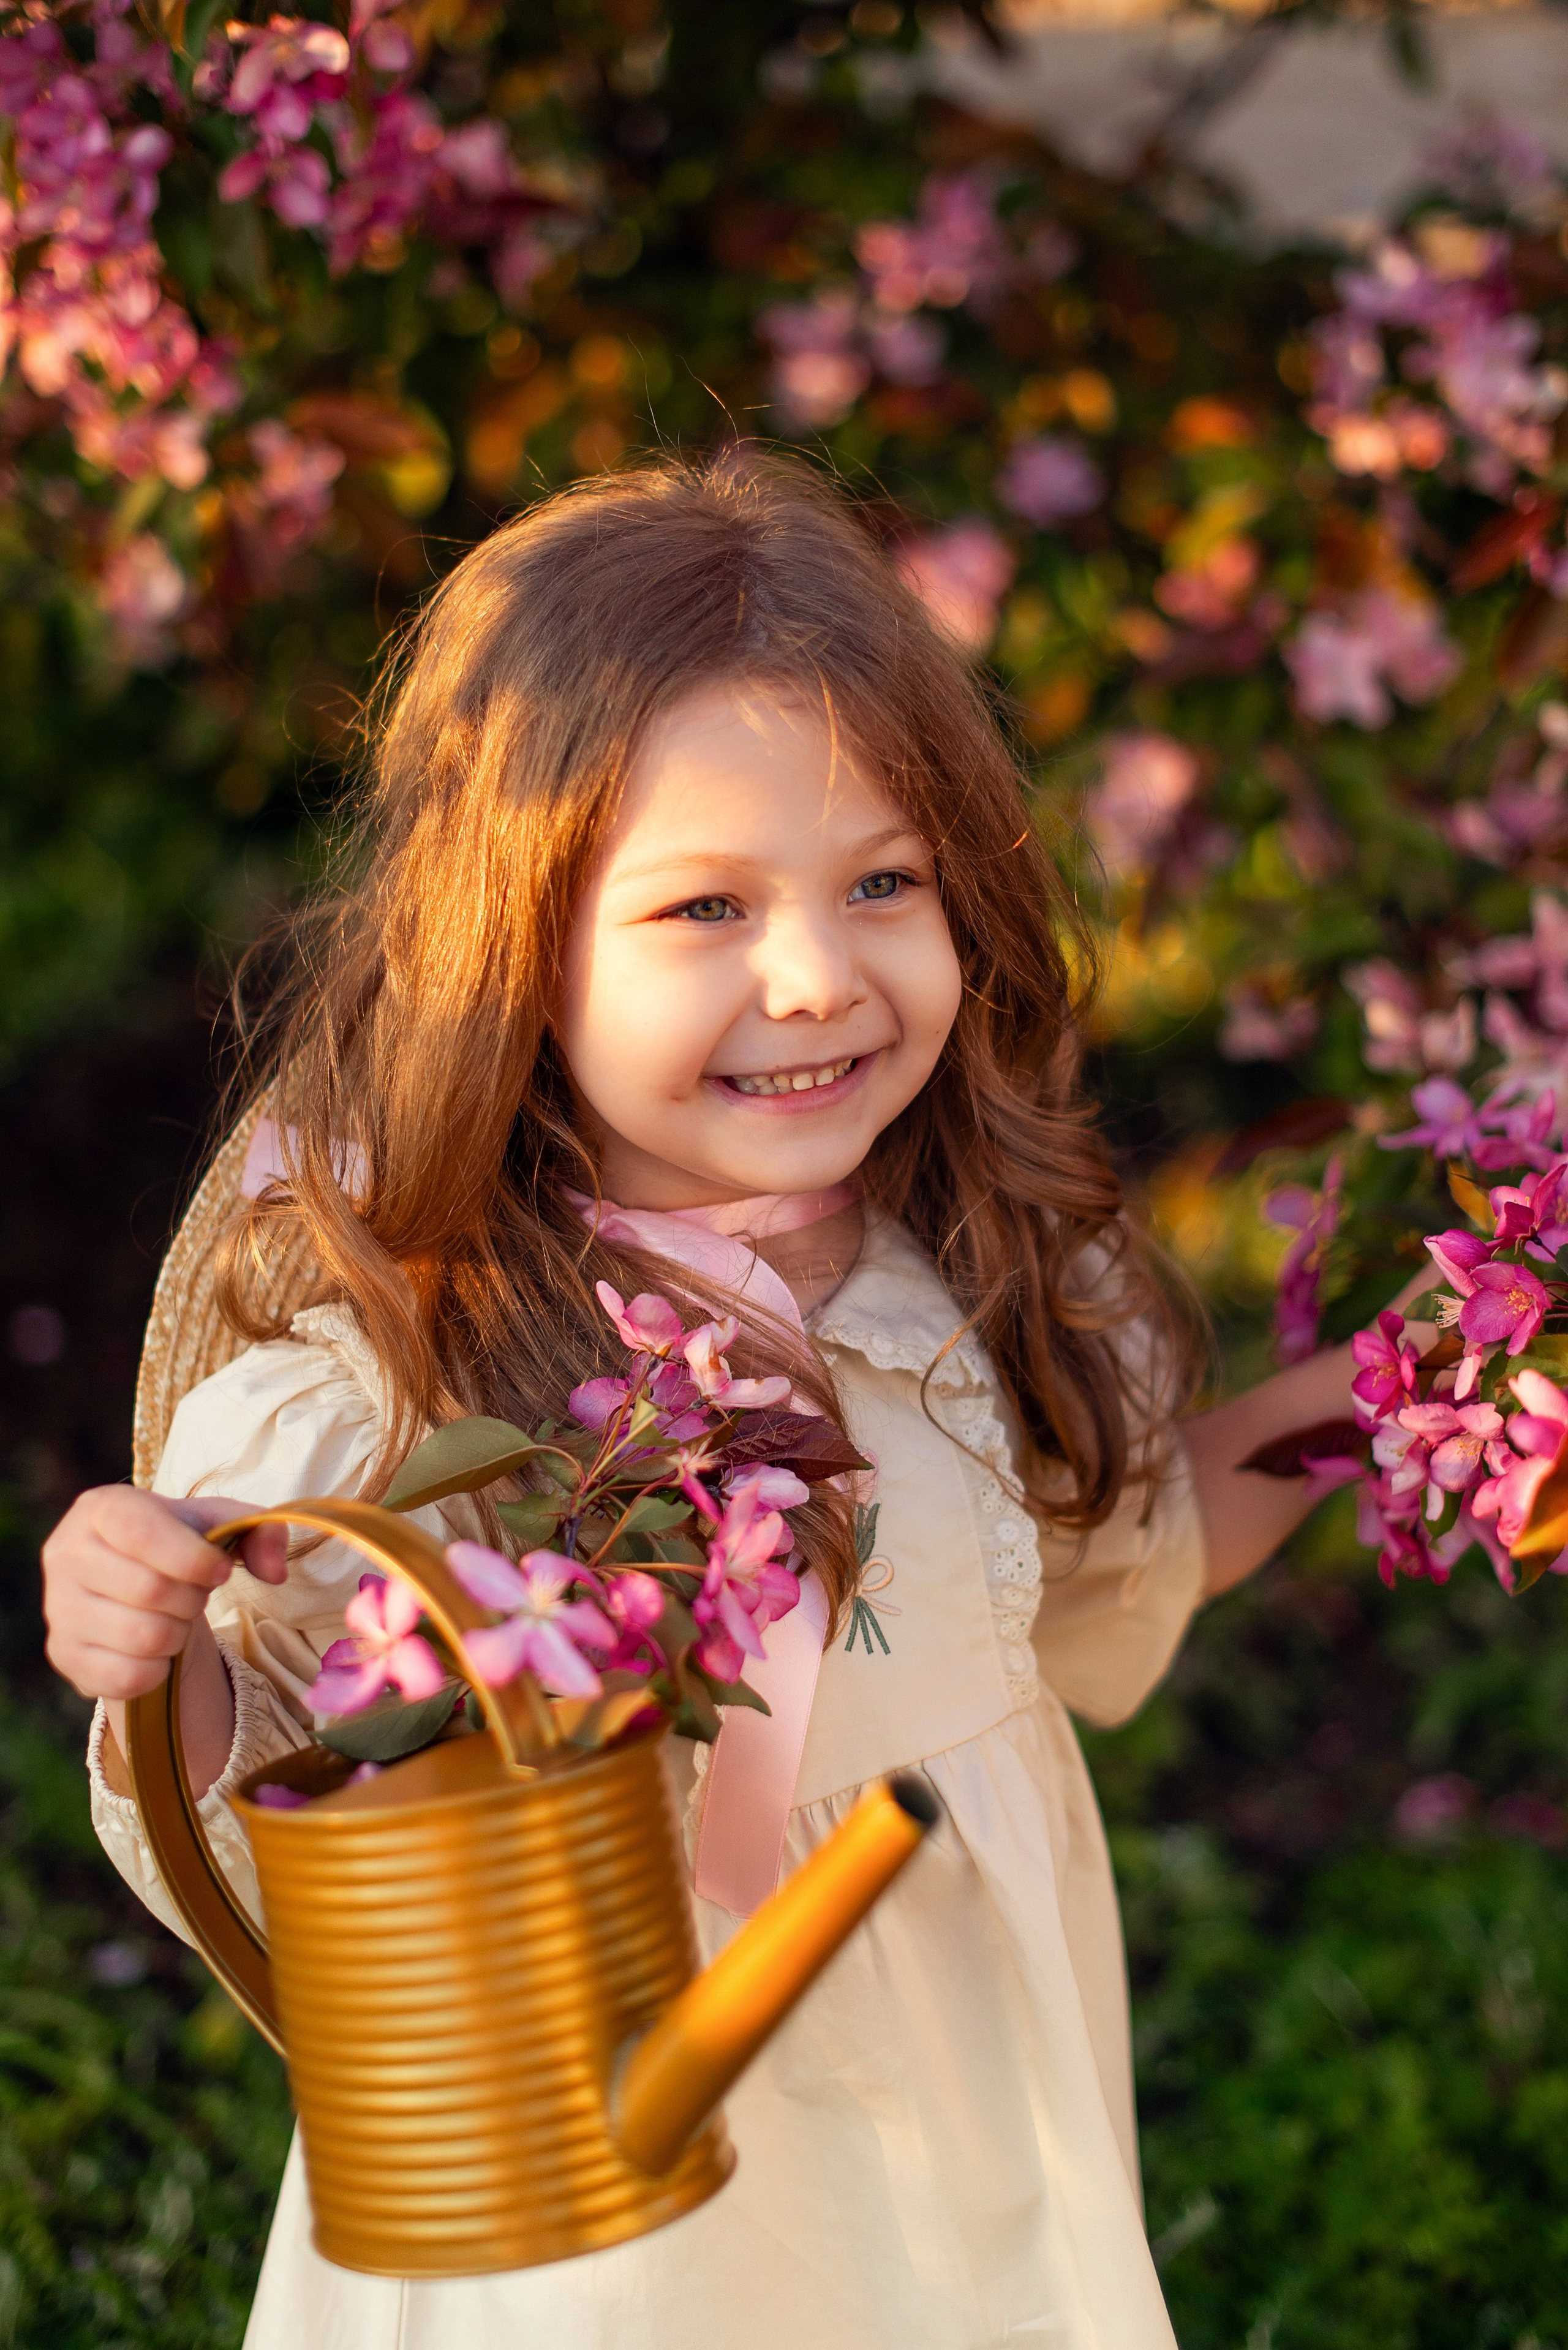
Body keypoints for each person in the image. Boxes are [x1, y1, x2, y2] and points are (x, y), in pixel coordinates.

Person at [42, 451, 1385, 2350]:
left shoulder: (975, 1277)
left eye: (886, 881)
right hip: (590, 2233)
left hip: (969, 2188)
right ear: (514, 942)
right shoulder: (403, 1371)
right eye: (704, 910)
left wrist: (1401, 1406)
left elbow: (1115, 1559)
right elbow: (268, 1821)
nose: (820, 975)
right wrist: (151, 1626)